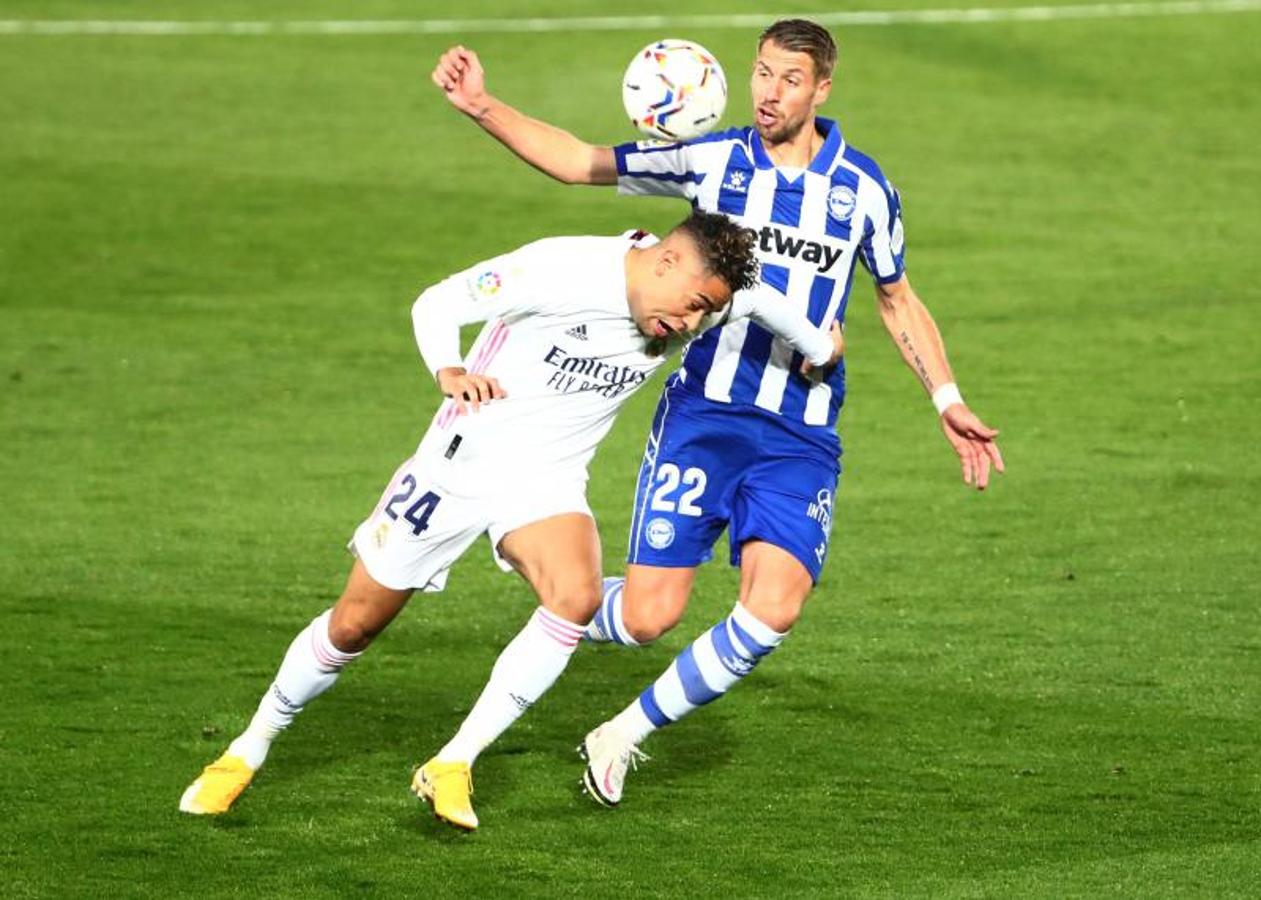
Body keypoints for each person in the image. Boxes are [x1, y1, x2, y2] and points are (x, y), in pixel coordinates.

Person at [431, 18, 1005, 807]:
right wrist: (482, 105)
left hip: (800, 429)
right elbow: (577, 161)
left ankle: (620, 734)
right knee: (644, 617)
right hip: (704, 415)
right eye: (761, 74)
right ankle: (560, 601)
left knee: (774, 609)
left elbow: (896, 297)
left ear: (822, 89)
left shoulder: (864, 190)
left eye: (788, 79)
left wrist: (947, 398)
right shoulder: (712, 159)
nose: (769, 93)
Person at [178, 210, 843, 830]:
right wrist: (448, 367)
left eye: (708, 312)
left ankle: (453, 762)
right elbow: (439, 301)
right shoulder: (560, 269)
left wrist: (820, 347)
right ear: (665, 261)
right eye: (694, 303)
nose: (694, 322)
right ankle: (248, 747)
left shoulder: (700, 302)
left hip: (545, 479)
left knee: (575, 597)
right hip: (459, 464)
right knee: (354, 624)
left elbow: (762, 304)